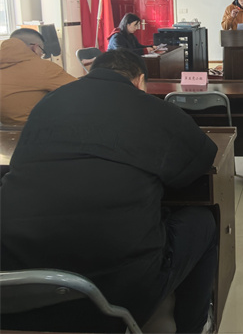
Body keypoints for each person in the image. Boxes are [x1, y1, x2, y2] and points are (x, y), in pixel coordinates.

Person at [0, 49, 218, 333]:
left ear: (89, 72)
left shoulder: (48, 104)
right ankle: (194, 326)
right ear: (139, 80)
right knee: (203, 220)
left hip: (16, 286)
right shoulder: (152, 108)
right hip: (115, 295)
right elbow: (202, 159)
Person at [0, 27, 76, 125]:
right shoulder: (44, 68)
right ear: (35, 48)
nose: (41, 55)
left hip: (4, 130)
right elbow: (78, 91)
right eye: (42, 51)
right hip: (36, 129)